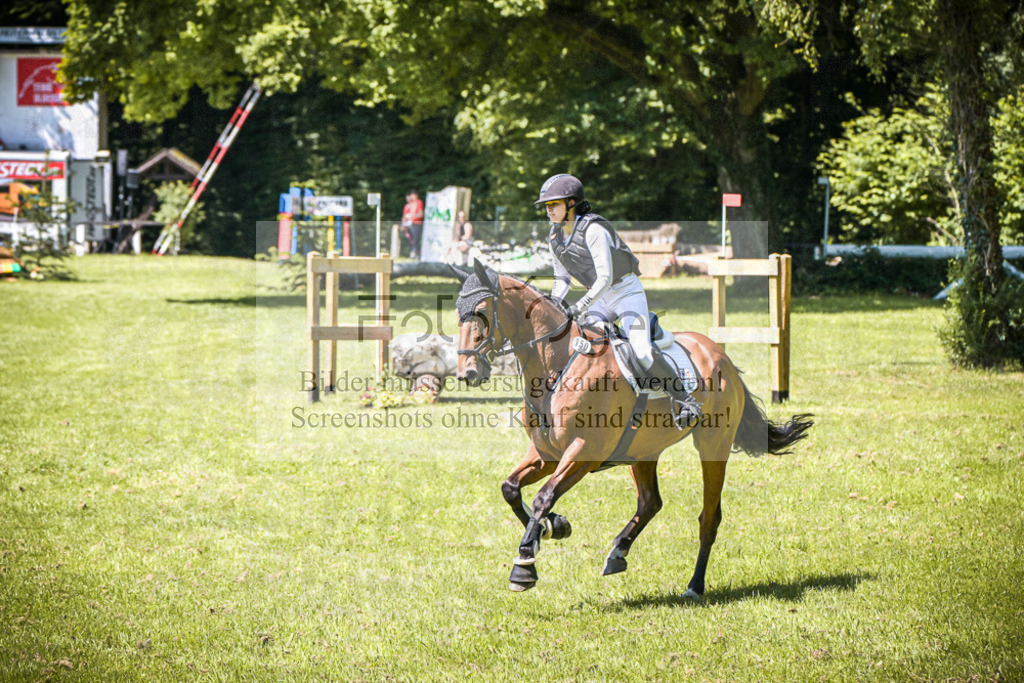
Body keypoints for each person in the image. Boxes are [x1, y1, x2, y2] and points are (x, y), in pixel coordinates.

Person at [535, 173, 701, 423]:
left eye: (553, 205)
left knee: (642, 351)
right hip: (600, 299)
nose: (548, 210)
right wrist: (554, 303)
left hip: (625, 293)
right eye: (546, 206)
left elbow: (605, 277)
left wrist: (579, 306)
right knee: (582, 344)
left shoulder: (593, 230)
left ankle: (685, 400)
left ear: (571, 203)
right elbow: (562, 279)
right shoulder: (554, 237)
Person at [401, 190, 424, 259]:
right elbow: (405, 216)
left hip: (416, 223)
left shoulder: (419, 202)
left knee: (416, 239)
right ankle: (414, 253)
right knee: (412, 240)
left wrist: (411, 216)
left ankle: (417, 254)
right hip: (410, 224)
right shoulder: (410, 204)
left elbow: (420, 214)